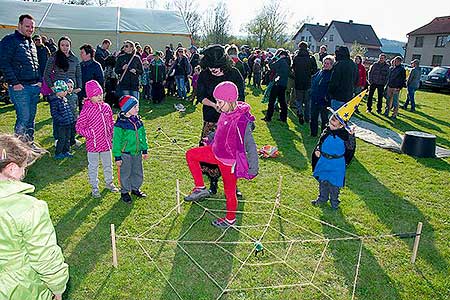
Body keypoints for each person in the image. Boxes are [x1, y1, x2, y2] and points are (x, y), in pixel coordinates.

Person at [0, 134, 69, 300]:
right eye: (23, 168)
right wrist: (58, 289)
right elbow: (45, 256)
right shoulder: (29, 208)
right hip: (20, 289)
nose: (24, 173)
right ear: (11, 168)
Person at [184, 81, 259, 229]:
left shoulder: (241, 121)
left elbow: (250, 146)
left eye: (219, 101)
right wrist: (211, 138)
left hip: (229, 162)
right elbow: (221, 130)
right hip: (215, 152)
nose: (217, 105)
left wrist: (253, 168)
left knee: (229, 191)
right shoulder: (225, 112)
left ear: (230, 100)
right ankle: (200, 187)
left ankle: (230, 219)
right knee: (191, 155)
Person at [196, 44, 245, 195]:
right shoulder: (204, 75)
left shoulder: (234, 73)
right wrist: (214, 105)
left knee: (231, 153)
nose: (213, 70)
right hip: (211, 118)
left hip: (230, 121)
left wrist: (229, 109)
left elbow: (241, 97)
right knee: (211, 152)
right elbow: (200, 96)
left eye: (215, 68)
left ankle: (233, 185)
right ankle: (213, 182)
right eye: (210, 68)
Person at [0, 14, 42, 144]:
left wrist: (39, 80)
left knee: (31, 119)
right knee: (24, 118)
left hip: (34, 86)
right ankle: (19, 149)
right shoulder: (10, 40)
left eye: (32, 27)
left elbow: (36, 63)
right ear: (19, 25)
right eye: (27, 26)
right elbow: (3, 63)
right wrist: (15, 83)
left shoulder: (31, 42)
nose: (30, 29)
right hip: (20, 88)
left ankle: (29, 144)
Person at [76, 80, 118, 198]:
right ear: (90, 96)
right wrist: (90, 133)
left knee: (108, 164)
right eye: (96, 95)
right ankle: (95, 187)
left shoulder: (106, 107)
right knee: (93, 166)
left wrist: (112, 131)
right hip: (93, 145)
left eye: (100, 94)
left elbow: (111, 121)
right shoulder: (86, 110)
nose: (99, 97)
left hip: (106, 143)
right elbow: (79, 127)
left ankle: (109, 183)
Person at [311, 113, 356, 210]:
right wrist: (318, 149)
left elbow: (350, 147)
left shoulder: (345, 135)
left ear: (341, 125)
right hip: (324, 161)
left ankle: (334, 202)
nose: (330, 126)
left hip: (336, 164)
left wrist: (351, 136)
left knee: (334, 184)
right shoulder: (327, 130)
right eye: (330, 123)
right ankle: (322, 198)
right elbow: (320, 142)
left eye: (334, 125)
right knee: (323, 181)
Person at [113, 95, 149, 204]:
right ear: (127, 109)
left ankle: (135, 188)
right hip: (125, 154)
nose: (137, 109)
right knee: (125, 173)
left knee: (137, 171)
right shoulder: (120, 124)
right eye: (135, 107)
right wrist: (117, 156)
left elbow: (142, 135)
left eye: (137, 106)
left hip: (137, 152)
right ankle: (125, 191)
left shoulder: (138, 120)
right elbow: (116, 141)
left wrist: (144, 149)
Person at [292, 41, 318, 124]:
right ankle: (307, 117)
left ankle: (299, 112)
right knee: (307, 101)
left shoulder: (296, 57)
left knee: (298, 99)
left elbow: (293, 68)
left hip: (298, 81)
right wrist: (309, 74)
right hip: (307, 82)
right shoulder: (311, 58)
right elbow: (315, 70)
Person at [49, 80, 76, 159]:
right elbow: (54, 114)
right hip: (61, 124)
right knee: (62, 138)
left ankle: (66, 151)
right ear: (58, 91)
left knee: (67, 138)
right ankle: (58, 153)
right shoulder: (55, 102)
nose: (65, 92)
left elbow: (68, 110)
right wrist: (61, 120)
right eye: (63, 91)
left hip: (68, 123)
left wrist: (71, 118)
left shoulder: (64, 99)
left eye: (66, 90)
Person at [262, 49, 290, 123]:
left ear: (282, 55)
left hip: (277, 82)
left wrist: (274, 59)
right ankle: (283, 117)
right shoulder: (288, 61)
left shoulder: (281, 61)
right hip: (284, 83)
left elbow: (271, 66)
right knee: (282, 101)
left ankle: (268, 117)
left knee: (272, 100)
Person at [310, 55, 334, 137]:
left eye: (328, 63)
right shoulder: (320, 72)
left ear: (331, 65)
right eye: (325, 63)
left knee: (324, 119)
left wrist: (326, 97)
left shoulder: (331, 75)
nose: (325, 65)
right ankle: (313, 133)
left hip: (324, 101)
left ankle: (324, 135)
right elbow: (313, 80)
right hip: (315, 98)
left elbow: (331, 88)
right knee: (313, 116)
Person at [327, 46, 358, 110]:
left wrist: (330, 92)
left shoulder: (338, 64)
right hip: (349, 95)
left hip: (338, 96)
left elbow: (334, 81)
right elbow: (356, 79)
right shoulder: (353, 65)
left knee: (335, 118)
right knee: (343, 118)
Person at [79, 44, 104, 109]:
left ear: (88, 54)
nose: (80, 54)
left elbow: (100, 82)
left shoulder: (96, 66)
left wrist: (97, 95)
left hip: (93, 96)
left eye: (82, 52)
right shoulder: (80, 65)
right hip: (81, 95)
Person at [65, 79, 79, 148]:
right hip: (67, 117)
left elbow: (76, 105)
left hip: (74, 117)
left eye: (71, 87)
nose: (69, 89)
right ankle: (67, 144)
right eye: (68, 87)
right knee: (68, 131)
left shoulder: (75, 96)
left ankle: (73, 141)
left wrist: (77, 116)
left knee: (73, 130)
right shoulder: (64, 97)